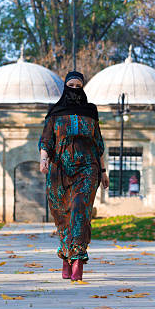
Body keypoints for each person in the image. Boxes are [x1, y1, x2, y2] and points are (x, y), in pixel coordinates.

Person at [38, 70, 109, 281]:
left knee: (80, 210)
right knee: (63, 214)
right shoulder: (55, 112)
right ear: (65, 87)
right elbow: (46, 140)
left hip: (88, 168)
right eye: (72, 86)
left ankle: (78, 258)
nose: (75, 89)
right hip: (60, 170)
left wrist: (103, 171)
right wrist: (44, 159)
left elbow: (98, 144)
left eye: (79, 86)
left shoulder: (91, 111)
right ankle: (66, 255)